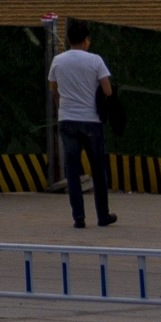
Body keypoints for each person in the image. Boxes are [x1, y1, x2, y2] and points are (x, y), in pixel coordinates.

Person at [48, 18, 117, 230]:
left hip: (67, 120)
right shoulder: (95, 61)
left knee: (73, 171)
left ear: (68, 39)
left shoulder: (58, 61)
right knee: (98, 171)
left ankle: (79, 218)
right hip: (92, 121)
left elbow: (54, 89)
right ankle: (103, 216)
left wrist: (62, 106)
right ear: (86, 40)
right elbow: (108, 90)